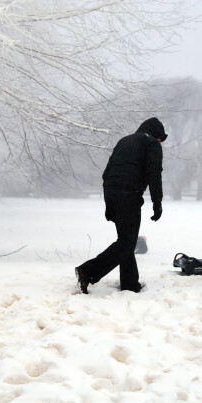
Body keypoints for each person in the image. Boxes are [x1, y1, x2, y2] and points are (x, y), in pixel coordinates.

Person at [75, 117, 167, 294]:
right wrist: (157, 202)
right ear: (156, 134)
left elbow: (106, 173)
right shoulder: (151, 144)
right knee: (127, 242)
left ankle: (130, 283)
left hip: (112, 192)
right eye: (160, 138)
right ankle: (87, 271)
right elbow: (154, 173)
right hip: (129, 194)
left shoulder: (124, 141)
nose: (159, 142)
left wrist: (109, 203)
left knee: (125, 240)